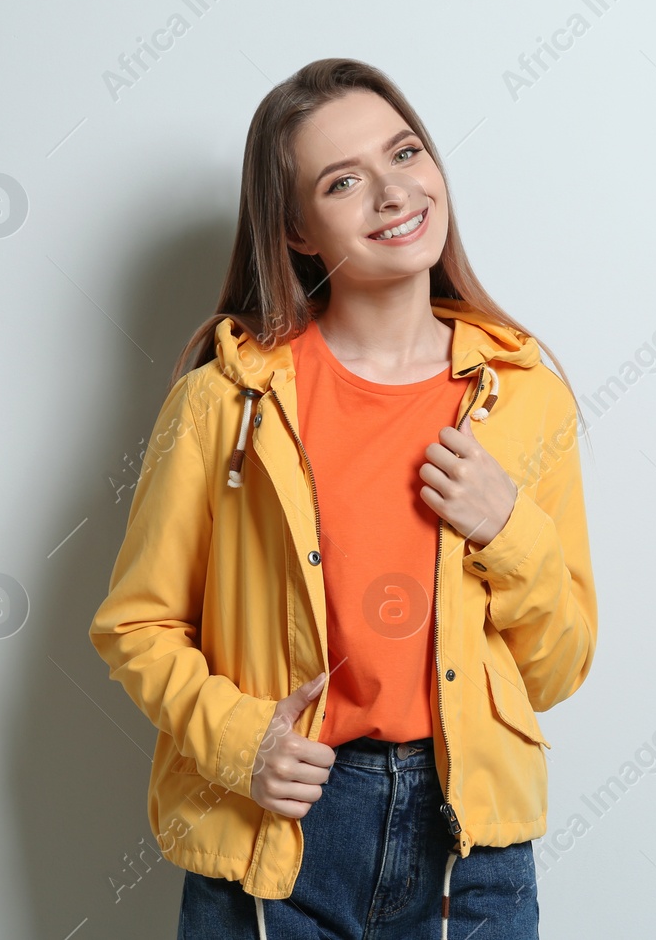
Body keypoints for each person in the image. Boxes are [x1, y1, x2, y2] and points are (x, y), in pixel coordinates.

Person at [88, 57, 598, 939]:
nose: (393, 193)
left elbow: (557, 666)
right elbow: (135, 625)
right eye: (343, 181)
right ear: (295, 230)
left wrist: (506, 529)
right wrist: (240, 743)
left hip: (468, 845)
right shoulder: (225, 400)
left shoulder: (525, 396)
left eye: (405, 154)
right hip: (276, 833)